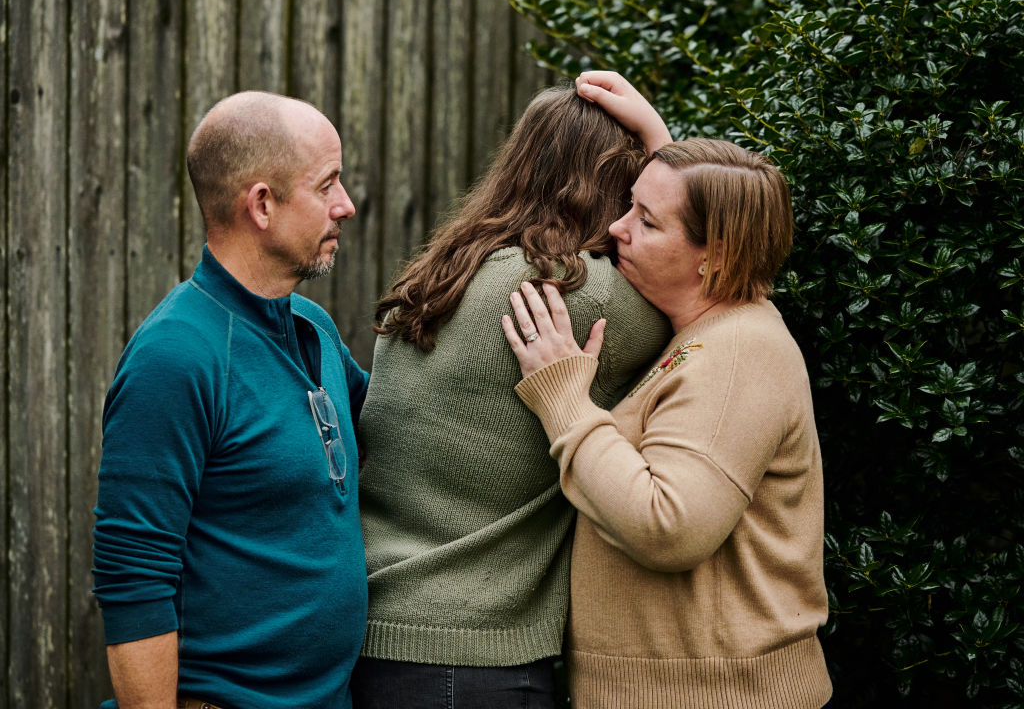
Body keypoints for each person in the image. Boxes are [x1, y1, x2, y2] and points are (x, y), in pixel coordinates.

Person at [501, 73, 834, 709]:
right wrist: (664, 149)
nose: (617, 229)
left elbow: (669, 527)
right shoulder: (716, 323)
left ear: (713, 257)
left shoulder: (737, 358)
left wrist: (565, 401)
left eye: (646, 221)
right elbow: (707, 215)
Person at [351, 86, 673, 707]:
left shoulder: (446, 270)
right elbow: (707, 268)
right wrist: (661, 143)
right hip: (470, 658)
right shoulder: (574, 293)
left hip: (382, 630)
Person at [92, 91, 370, 709]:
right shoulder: (177, 358)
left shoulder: (314, 327)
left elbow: (390, 434)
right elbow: (134, 580)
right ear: (262, 205)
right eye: (327, 185)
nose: (346, 205)